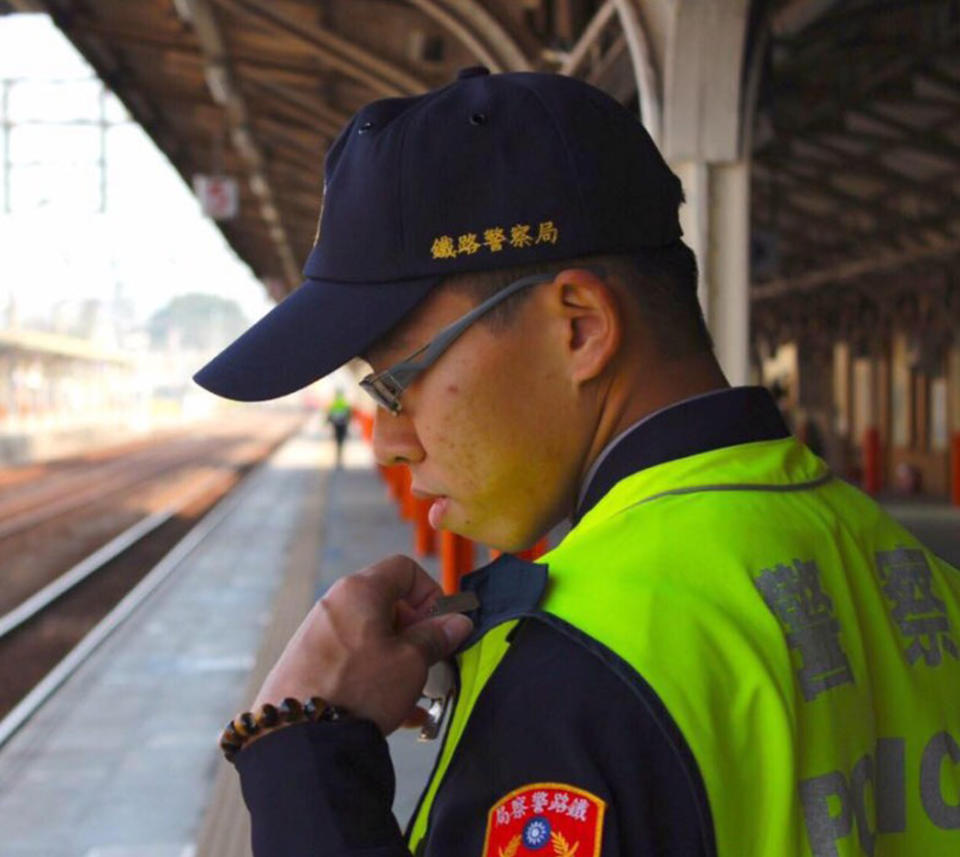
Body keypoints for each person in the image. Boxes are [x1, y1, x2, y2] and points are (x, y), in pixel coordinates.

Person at [193, 68, 960, 857]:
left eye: (398, 379)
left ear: (580, 326)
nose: (389, 437)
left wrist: (301, 754)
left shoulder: (579, 677)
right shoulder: (915, 575)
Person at [326, 387, 352, 467]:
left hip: (336, 423)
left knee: (337, 438)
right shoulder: (344, 402)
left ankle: (338, 454)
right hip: (343, 423)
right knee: (341, 439)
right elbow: (348, 413)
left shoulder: (334, 402)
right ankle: (340, 453)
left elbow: (330, 413)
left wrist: (327, 421)